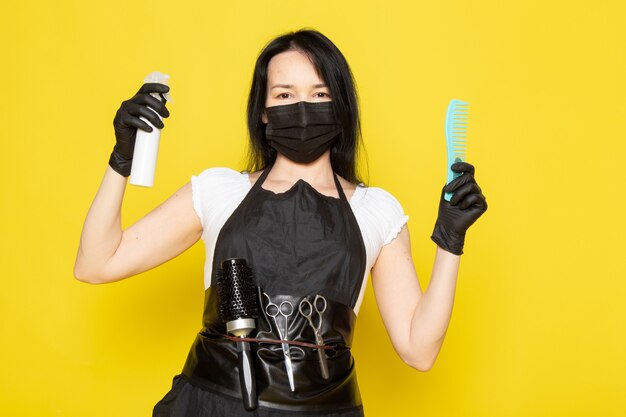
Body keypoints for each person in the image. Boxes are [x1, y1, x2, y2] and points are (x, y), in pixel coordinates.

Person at [74, 28, 487, 417]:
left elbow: (419, 351)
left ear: (339, 107)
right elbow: (96, 264)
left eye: (319, 93)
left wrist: (450, 241)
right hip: (211, 405)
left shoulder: (376, 210)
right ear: (264, 112)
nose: (301, 108)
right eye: (284, 94)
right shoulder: (219, 191)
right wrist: (121, 159)